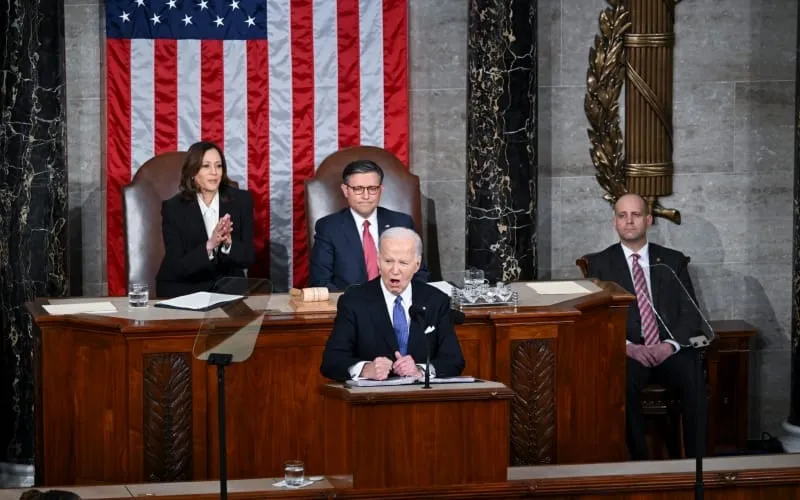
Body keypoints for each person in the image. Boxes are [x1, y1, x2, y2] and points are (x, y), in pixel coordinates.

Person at [585, 193, 703, 460]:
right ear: (614, 222)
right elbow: (597, 321)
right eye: (622, 215)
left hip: (669, 350)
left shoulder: (672, 261)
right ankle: (640, 462)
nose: (629, 221)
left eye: (636, 215)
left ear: (648, 220)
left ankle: (697, 463)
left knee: (695, 374)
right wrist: (628, 348)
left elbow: (690, 314)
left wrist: (668, 346)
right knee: (619, 381)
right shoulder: (599, 264)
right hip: (629, 352)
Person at [320, 227, 463, 381]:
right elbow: (331, 361)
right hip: (372, 400)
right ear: (378, 260)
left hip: (422, 398)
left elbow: (454, 361)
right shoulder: (353, 301)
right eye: (388, 261)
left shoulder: (436, 300)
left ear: (417, 264)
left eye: (403, 263)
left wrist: (420, 370)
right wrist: (366, 369)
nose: (395, 270)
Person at [309, 159, 429, 291]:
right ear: (345, 190)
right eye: (358, 189)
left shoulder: (401, 222)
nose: (366, 196)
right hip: (350, 305)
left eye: (372, 189)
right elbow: (320, 281)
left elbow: (419, 274)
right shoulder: (328, 227)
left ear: (381, 190)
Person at [156, 141, 255, 298]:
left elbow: (248, 258)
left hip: (227, 290)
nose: (214, 172)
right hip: (185, 288)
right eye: (206, 166)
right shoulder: (173, 208)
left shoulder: (241, 201)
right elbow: (178, 266)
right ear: (193, 172)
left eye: (219, 166)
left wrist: (228, 243)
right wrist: (210, 245)